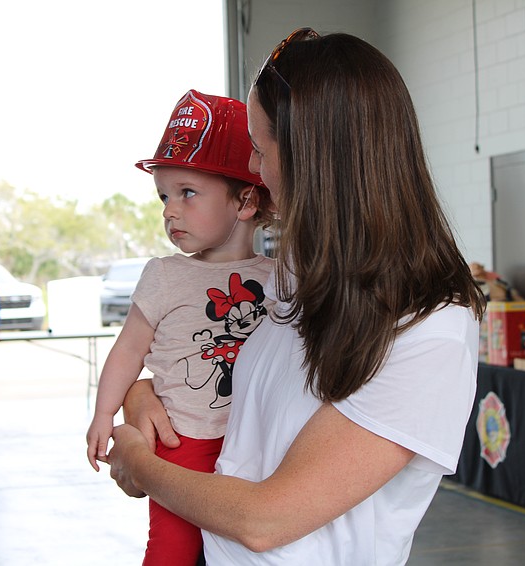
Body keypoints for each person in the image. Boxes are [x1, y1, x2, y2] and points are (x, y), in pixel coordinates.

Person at [107, 29, 486, 565]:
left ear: (315, 157)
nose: (255, 173)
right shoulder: (293, 277)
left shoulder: (429, 330)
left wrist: (140, 463)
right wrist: (146, 394)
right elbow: (229, 385)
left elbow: (268, 519)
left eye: (260, 151)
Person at [86, 90, 275, 566]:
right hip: (182, 441)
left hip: (258, 443)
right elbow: (127, 352)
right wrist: (103, 416)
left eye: (188, 193)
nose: (170, 210)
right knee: (172, 550)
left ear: (246, 199)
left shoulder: (283, 278)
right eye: (164, 196)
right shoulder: (165, 275)